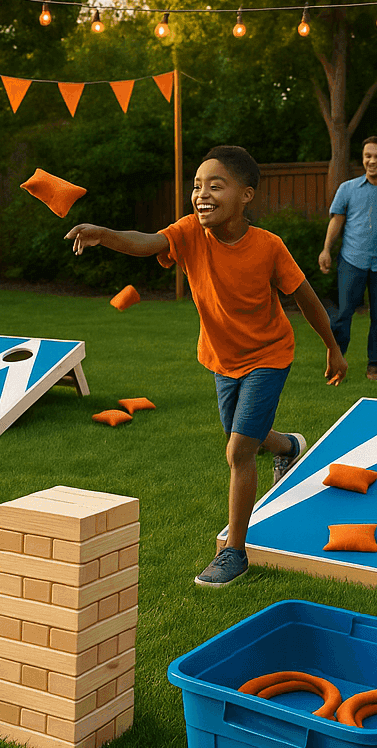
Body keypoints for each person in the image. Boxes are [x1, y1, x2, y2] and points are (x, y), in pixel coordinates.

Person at [66, 145, 348, 587]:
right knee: (245, 439)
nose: (202, 194)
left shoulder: (268, 246)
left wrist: (332, 347)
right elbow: (147, 242)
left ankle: (234, 552)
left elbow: (305, 297)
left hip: (269, 356)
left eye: (216, 185)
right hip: (221, 359)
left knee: (237, 451)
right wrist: (107, 233)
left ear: (246, 195)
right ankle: (288, 447)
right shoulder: (189, 233)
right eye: (197, 186)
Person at [318, 135, 377, 381]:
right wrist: (326, 249)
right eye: (368, 156)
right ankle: (337, 364)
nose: (372, 161)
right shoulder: (347, 189)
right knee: (344, 314)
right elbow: (336, 220)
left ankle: (375, 366)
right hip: (352, 260)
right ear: (362, 159)